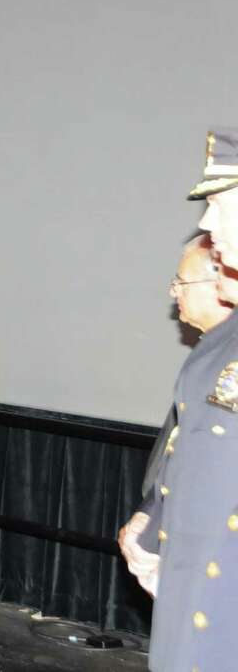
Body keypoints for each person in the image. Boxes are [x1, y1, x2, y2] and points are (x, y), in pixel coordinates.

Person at [125, 128, 238, 672]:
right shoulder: (215, 352)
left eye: (219, 205)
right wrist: (153, 529)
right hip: (192, 606)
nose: (207, 224)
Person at [118, 234, 232, 577]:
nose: (173, 291)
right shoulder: (209, 353)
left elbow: (213, 466)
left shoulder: (227, 357)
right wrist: (149, 513)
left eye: (181, 282)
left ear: (219, 285)